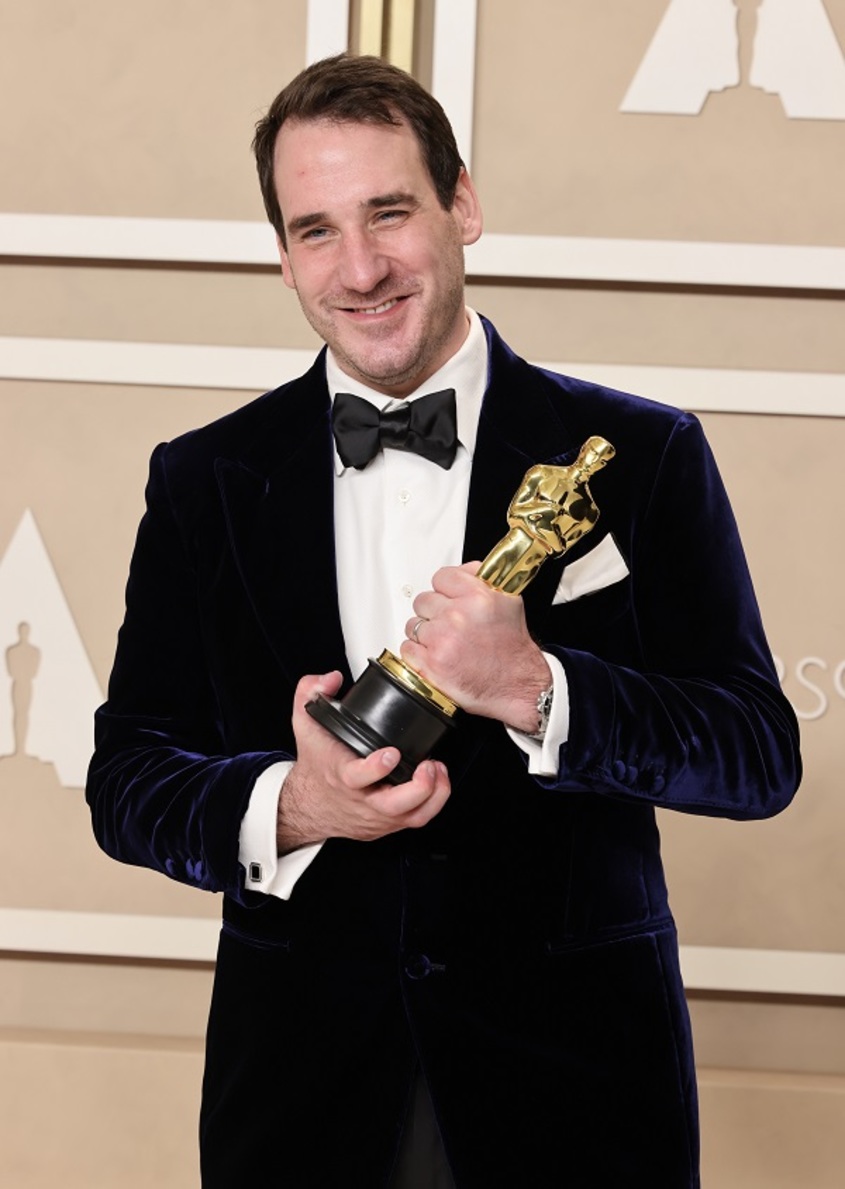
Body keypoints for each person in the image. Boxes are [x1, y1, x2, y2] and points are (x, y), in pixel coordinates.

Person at [86, 53, 801, 1188]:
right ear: (281, 255)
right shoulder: (203, 479)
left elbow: (756, 754)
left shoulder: (642, 453)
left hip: (577, 1090)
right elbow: (125, 781)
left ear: (461, 204)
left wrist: (536, 688)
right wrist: (299, 802)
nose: (359, 267)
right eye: (315, 229)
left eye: (388, 212)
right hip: (301, 1091)